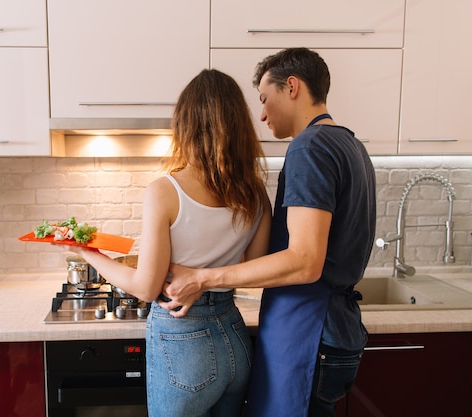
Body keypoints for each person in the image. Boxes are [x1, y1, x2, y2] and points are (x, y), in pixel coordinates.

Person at [159, 48, 377, 417]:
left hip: (308, 329)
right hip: (336, 329)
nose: (261, 114)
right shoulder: (351, 145)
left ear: (291, 87)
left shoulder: (311, 146)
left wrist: (204, 277)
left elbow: (305, 262)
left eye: (264, 98)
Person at [64, 68, 272, 417]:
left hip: (182, 340)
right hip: (234, 338)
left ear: (186, 125)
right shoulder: (256, 193)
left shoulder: (165, 191)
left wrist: (89, 253)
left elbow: (146, 287)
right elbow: (256, 272)